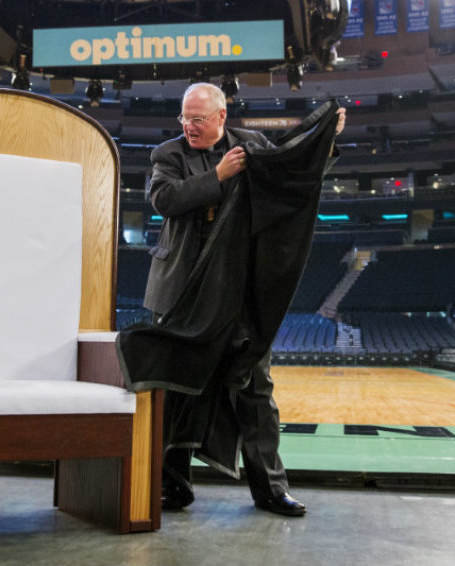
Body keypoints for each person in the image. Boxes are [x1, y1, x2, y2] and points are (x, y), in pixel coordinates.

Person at [142, 83, 346, 517]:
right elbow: (164, 200)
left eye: (197, 118)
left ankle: (270, 490)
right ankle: (171, 485)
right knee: (176, 391)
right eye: (184, 118)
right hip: (182, 292)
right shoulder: (168, 154)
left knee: (256, 391)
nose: (189, 126)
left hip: (239, 292)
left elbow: (287, 177)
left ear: (221, 115)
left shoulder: (253, 144)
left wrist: (324, 143)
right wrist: (217, 177)